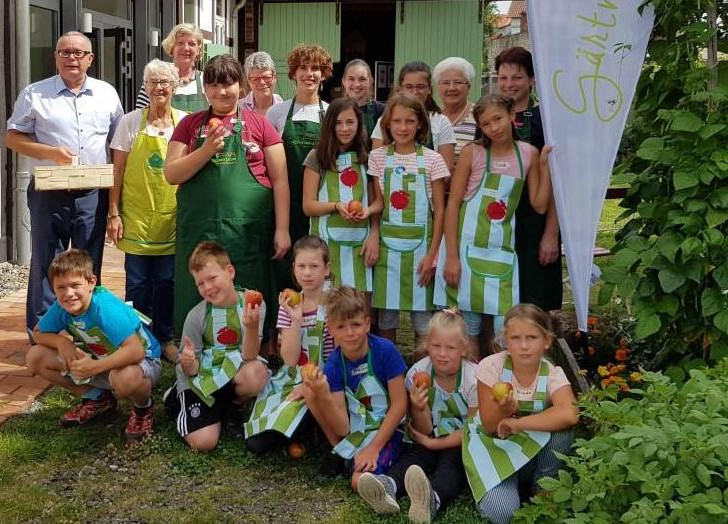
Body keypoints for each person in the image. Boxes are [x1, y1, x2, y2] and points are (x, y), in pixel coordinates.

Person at [6, 31, 124, 339]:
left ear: (90, 59)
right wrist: (50, 152)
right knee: (47, 261)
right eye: (65, 52)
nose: (71, 58)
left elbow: (118, 146)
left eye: (78, 53)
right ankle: (43, 332)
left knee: (87, 263)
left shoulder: (107, 93)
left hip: (92, 194)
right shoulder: (34, 93)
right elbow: (12, 137)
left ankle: (87, 331)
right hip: (49, 192)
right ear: (56, 56)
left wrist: (114, 203)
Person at [165, 54, 290, 336]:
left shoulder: (260, 125)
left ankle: (256, 346)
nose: (222, 92)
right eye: (214, 85)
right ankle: (196, 347)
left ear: (241, 86)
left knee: (251, 287)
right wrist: (206, 149)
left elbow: (280, 179)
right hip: (199, 228)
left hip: (248, 231)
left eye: (229, 84)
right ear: (205, 89)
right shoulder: (190, 125)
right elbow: (172, 174)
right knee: (199, 285)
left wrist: (282, 229)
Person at [436, 94, 552, 359]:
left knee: (503, 328)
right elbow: (453, 205)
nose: (494, 128)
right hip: (465, 251)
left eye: (498, 119)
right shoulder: (472, 153)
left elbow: (540, 204)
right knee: (469, 329)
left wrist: (544, 167)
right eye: (486, 124)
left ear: (512, 116)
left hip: (502, 252)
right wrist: (451, 257)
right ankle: (475, 389)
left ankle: (502, 383)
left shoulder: (529, 154)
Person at [25, 249, 162, 441]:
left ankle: (142, 408)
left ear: (91, 282)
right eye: (61, 288)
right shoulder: (61, 307)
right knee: (35, 357)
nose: (68, 293)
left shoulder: (104, 308)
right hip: (100, 358)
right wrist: (62, 342)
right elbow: (38, 333)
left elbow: (135, 351)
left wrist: (94, 367)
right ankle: (97, 398)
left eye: (75, 285)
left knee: (125, 378)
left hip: (142, 360)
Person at [356, 309, 478, 523]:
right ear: (427, 345)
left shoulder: (473, 378)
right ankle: (388, 485)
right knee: (414, 458)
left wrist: (433, 444)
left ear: (463, 349)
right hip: (427, 436)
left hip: (462, 441)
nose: (442, 354)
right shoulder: (417, 373)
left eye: (450, 348)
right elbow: (424, 430)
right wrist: (419, 407)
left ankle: (433, 499)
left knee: (452, 467)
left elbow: (472, 429)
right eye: (436, 346)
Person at [464, 304, 579, 523]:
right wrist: (504, 410)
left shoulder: (552, 373)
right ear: (506, 340)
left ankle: (543, 485)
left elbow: (570, 413)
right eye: (516, 338)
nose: (524, 346)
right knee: (503, 513)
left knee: (563, 430)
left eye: (532, 338)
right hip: (495, 448)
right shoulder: (492, 368)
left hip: (529, 448)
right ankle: (504, 486)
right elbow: (489, 424)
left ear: (547, 341)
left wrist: (519, 422)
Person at [108, 59, 187, 363]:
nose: (158, 88)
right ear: (145, 87)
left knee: (167, 280)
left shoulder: (185, 122)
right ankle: (138, 338)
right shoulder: (130, 122)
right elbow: (117, 172)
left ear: (174, 87)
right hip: (137, 218)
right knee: (137, 282)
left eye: (164, 82)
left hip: (172, 217)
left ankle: (165, 338)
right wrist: (113, 213)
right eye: (152, 82)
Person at [301, 286, 408, 489]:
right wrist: (323, 394)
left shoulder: (385, 350)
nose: (350, 333)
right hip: (358, 431)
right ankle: (342, 455)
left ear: (367, 324)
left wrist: (374, 448)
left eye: (356, 324)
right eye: (341, 327)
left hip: (392, 429)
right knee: (358, 479)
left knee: (359, 479)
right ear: (330, 330)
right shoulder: (334, 365)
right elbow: (342, 427)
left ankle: (388, 485)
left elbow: (400, 405)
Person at [369, 95, 449, 349]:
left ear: (420, 125)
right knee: (386, 319)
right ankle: (389, 377)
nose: (403, 127)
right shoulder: (378, 158)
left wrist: (433, 255)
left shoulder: (433, 159)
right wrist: (373, 236)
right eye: (397, 121)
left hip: (421, 252)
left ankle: (420, 376)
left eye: (410, 121)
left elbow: (440, 211)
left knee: (423, 323)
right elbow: (377, 205)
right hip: (387, 251)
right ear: (388, 125)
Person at [171, 241, 269, 451]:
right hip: (201, 377)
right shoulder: (196, 316)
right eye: (200, 284)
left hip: (236, 368)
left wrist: (251, 328)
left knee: (257, 373)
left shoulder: (253, 304)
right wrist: (189, 362)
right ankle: (176, 400)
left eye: (212, 278)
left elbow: (250, 355)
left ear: (230, 271)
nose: (208, 288)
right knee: (204, 443)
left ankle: (229, 407)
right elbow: (190, 369)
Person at [244, 236, 336, 452]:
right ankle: (306, 428)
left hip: (329, 379)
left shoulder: (335, 303)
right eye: (301, 266)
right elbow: (290, 359)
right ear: (293, 268)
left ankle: (311, 427)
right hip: (294, 378)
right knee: (257, 443)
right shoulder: (289, 304)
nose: (307, 273)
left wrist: (313, 386)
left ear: (326, 268)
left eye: (314, 266)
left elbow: (339, 357)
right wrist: (295, 319)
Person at [496, 47, 563, 312]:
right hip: (496, 223)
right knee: (496, 299)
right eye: (503, 78)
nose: (509, 84)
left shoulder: (546, 121)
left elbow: (558, 184)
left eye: (517, 78)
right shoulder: (490, 120)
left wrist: (550, 234)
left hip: (536, 223)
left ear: (532, 80)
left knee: (535, 304)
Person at [302, 97, 383, 295]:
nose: (344, 129)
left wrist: (373, 232)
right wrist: (337, 206)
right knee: (326, 307)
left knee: (358, 308)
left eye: (350, 122)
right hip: (324, 246)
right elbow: (308, 205)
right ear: (329, 125)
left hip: (360, 246)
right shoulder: (317, 158)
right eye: (338, 123)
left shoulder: (367, 158)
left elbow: (377, 202)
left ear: (359, 124)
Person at [267, 44, 334, 256]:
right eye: (303, 68)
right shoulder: (276, 112)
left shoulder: (332, 112)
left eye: (315, 68)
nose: (309, 74)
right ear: (293, 73)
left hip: (321, 207)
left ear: (323, 75)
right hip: (285, 206)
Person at [371, 62, 455, 173]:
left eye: (420, 87)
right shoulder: (385, 120)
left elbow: (446, 171)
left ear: (429, 89)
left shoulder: (441, 122)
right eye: (409, 86)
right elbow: (377, 166)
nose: (414, 92)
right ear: (400, 88)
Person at [135, 23, 208, 112]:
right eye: (180, 43)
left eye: (191, 44)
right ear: (172, 47)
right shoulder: (154, 79)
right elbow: (140, 116)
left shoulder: (207, 81)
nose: (186, 48)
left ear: (198, 50)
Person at [433, 57, 478, 169]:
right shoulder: (431, 117)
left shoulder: (480, 115)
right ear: (438, 87)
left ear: (469, 87)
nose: (451, 88)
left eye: (458, 82)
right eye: (445, 83)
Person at [342, 59, 385, 137]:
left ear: (370, 81)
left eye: (362, 79)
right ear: (344, 81)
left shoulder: (382, 111)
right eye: (351, 79)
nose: (357, 84)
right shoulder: (336, 110)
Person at [239, 51, 283, 116]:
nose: (262, 82)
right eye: (256, 79)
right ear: (249, 81)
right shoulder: (239, 108)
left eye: (266, 77)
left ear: (275, 77)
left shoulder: (284, 109)